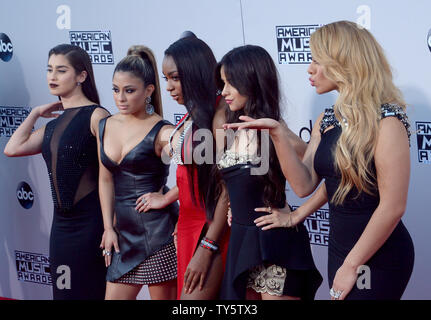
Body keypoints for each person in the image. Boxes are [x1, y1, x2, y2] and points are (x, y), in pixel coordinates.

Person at [226, 21, 415, 300]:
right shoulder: (327, 120)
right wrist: (278, 134)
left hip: (379, 252)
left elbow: (392, 207)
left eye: (317, 60)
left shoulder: (387, 122)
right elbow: (304, 185)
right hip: (339, 248)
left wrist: (352, 265)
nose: (309, 69)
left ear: (344, 63)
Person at [217, 45, 322, 300]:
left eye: (231, 83)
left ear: (252, 81)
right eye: (223, 83)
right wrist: (236, 205)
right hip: (243, 243)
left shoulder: (277, 129)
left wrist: (295, 214)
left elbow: (313, 170)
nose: (224, 91)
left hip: (275, 247)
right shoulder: (238, 126)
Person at [4, 44, 109, 299]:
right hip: (61, 229)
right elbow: (12, 148)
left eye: (61, 71)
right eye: (49, 70)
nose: (52, 76)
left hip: (92, 226)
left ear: (82, 76)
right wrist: (36, 113)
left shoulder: (97, 115)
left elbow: (109, 176)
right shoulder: (54, 124)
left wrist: (110, 226)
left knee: (89, 293)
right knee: (62, 293)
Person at [98, 46, 178, 300]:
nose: (120, 98)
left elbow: (205, 172)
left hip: (157, 236)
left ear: (149, 91)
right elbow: (105, 178)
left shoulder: (164, 132)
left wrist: (167, 197)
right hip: (122, 237)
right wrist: (108, 227)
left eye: (129, 91)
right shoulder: (105, 125)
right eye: (115, 89)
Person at [158, 35, 231, 299]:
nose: (168, 87)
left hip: (211, 228)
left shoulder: (220, 113)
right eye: (165, 78)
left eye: (175, 77)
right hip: (189, 225)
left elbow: (227, 188)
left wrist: (208, 244)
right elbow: (191, 177)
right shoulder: (194, 112)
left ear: (195, 72)